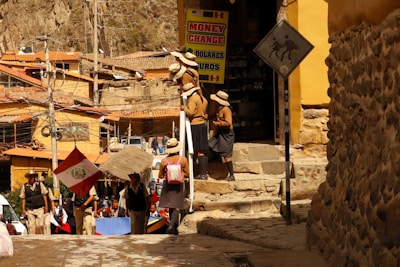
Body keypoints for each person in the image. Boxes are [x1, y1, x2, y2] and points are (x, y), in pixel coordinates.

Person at [158, 138, 189, 235]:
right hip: (178, 185)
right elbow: (188, 173)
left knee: (171, 206)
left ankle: (172, 227)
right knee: (177, 206)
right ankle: (172, 226)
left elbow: (160, 175)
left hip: (168, 185)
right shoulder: (182, 159)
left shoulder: (164, 161)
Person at [181, 83, 209, 180]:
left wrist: (184, 108)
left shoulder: (193, 99)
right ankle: (204, 173)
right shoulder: (203, 99)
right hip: (202, 124)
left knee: (195, 150)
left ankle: (200, 174)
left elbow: (191, 112)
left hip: (195, 125)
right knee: (203, 150)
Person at [209, 90, 236, 181]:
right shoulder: (218, 108)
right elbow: (214, 115)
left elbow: (228, 123)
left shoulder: (226, 110)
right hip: (220, 133)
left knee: (226, 155)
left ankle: (231, 175)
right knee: (210, 144)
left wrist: (218, 123)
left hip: (227, 134)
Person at [19, 169, 48, 234]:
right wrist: (23, 209)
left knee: (40, 225)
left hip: (39, 208)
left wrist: (46, 206)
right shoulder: (25, 186)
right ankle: (31, 241)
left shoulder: (39, 184)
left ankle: (41, 239)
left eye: (33, 176)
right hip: (30, 209)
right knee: (31, 227)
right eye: (30, 176)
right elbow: (23, 198)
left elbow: (44, 195)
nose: (32, 178)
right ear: (28, 177)